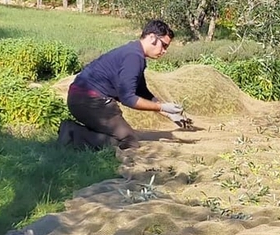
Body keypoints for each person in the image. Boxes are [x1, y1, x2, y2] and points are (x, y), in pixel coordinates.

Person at [58, 20, 191, 155]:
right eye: (163, 45)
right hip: (90, 101)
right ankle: (73, 132)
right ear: (152, 38)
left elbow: (142, 92)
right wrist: (162, 107)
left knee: (121, 135)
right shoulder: (133, 57)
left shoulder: (134, 52)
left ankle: (77, 132)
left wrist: (169, 114)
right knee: (129, 141)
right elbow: (128, 98)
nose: (164, 51)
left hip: (80, 98)